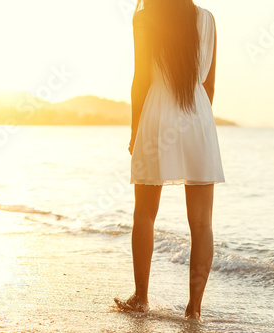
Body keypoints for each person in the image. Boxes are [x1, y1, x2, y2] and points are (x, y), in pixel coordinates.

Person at [114, 0, 225, 322]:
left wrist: (136, 130)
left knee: (145, 214)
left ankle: (141, 298)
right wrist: (199, 123)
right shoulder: (207, 18)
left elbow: (141, 80)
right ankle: (195, 309)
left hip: (158, 114)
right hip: (198, 114)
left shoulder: (145, 18)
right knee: (203, 223)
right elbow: (211, 83)